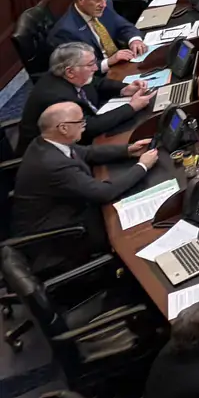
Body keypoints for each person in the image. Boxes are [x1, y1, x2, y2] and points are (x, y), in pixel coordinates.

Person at [12, 102, 157, 271]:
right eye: (80, 122)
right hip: (59, 235)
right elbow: (104, 192)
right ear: (64, 128)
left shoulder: (46, 143)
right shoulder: (52, 164)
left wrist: (128, 150)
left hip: (66, 209)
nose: (84, 125)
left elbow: (86, 152)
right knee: (137, 233)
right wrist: (142, 166)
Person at [22, 42, 153, 141]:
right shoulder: (58, 98)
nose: (96, 68)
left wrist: (124, 89)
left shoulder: (71, 76)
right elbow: (88, 128)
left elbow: (97, 83)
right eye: (90, 64)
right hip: (56, 157)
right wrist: (132, 107)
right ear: (70, 71)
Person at [48, 0, 148, 68]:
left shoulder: (104, 6)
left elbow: (123, 26)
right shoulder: (66, 30)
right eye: (98, 0)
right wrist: (109, 62)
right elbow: (78, 68)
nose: (103, 4)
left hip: (122, 63)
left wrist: (134, 40)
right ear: (81, 0)